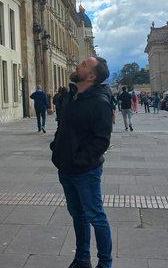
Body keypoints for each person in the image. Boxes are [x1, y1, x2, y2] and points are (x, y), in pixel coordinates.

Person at [51, 56, 113, 268]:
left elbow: (102, 140)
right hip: (65, 167)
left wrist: (79, 159)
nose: (78, 64)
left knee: (96, 216)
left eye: (84, 64)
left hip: (85, 170)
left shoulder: (100, 102)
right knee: (77, 215)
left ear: (92, 76)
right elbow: (63, 126)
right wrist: (56, 148)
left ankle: (105, 264)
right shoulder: (70, 96)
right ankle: (82, 258)